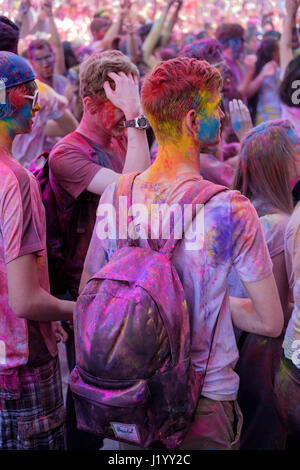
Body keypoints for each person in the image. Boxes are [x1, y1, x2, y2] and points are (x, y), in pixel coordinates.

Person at [80, 57, 284, 450]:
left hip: (127, 395)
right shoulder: (231, 209)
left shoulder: (116, 195)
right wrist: (207, 299)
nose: (222, 114)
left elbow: (91, 289)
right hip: (203, 402)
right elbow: (270, 321)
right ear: (193, 120)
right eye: (216, 106)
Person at [48, 49, 150, 449]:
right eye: (118, 102)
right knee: (97, 410)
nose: (127, 109)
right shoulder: (68, 154)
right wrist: (136, 116)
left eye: (131, 96)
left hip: (129, 291)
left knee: (128, 412)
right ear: (89, 104)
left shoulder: (123, 137)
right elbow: (133, 191)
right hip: (90, 297)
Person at [0, 51, 75, 450]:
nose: (38, 102)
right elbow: (25, 300)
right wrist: (85, 309)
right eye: (28, 92)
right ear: (5, 100)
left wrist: (49, 319)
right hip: (20, 370)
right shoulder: (16, 181)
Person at [228, 119, 300, 449]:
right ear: (282, 162)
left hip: (234, 342)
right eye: (296, 148)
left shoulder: (242, 210)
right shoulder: (282, 223)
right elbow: (282, 308)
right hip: (264, 353)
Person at [0, 16, 78, 169]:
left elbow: (71, 128)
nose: (45, 63)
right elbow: (72, 128)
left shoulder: (45, 91)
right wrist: (38, 125)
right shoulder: (42, 92)